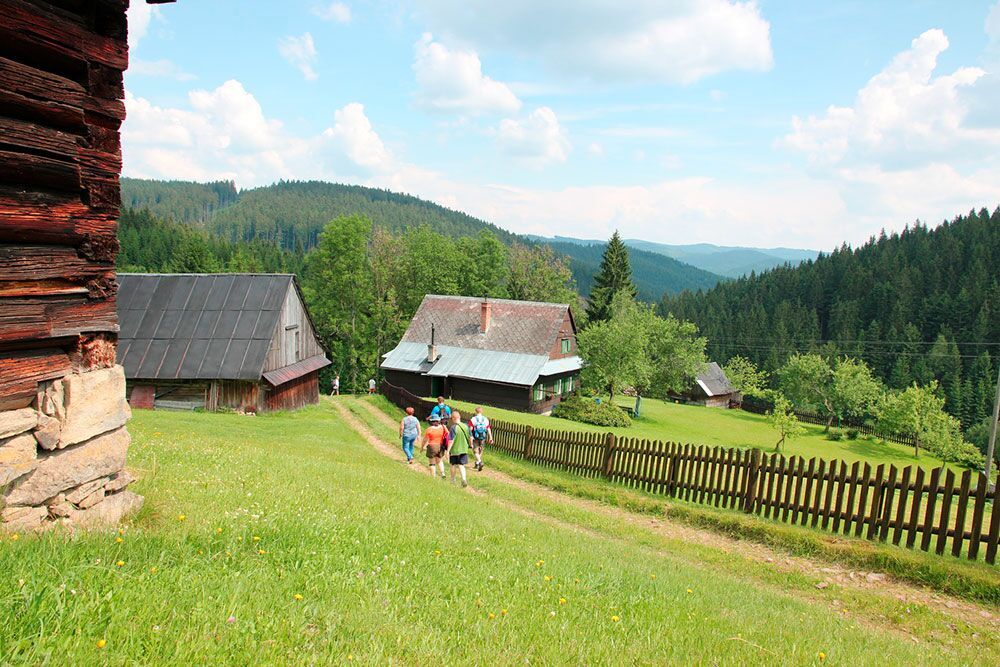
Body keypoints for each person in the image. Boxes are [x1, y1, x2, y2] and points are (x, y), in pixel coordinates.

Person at [446, 411, 472, 488]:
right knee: (461, 465)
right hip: (464, 449)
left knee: (453, 464)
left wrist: (448, 451)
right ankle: (464, 479)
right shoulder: (466, 426)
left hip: (455, 450)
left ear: (453, 418)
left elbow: (451, 440)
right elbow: (471, 437)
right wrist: (470, 444)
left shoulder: (453, 427)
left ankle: (453, 480)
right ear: (459, 417)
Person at [468, 406, 493, 472]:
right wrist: (491, 437)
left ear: (476, 412)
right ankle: (477, 463)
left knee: (475, 451)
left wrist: (470, 436)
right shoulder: (486, 419)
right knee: (480, 450)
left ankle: (479, 461)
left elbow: (470, 429)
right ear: (482, 411)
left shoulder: (473, 419)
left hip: (475, 437)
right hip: (483, 437)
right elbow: (488, 429)